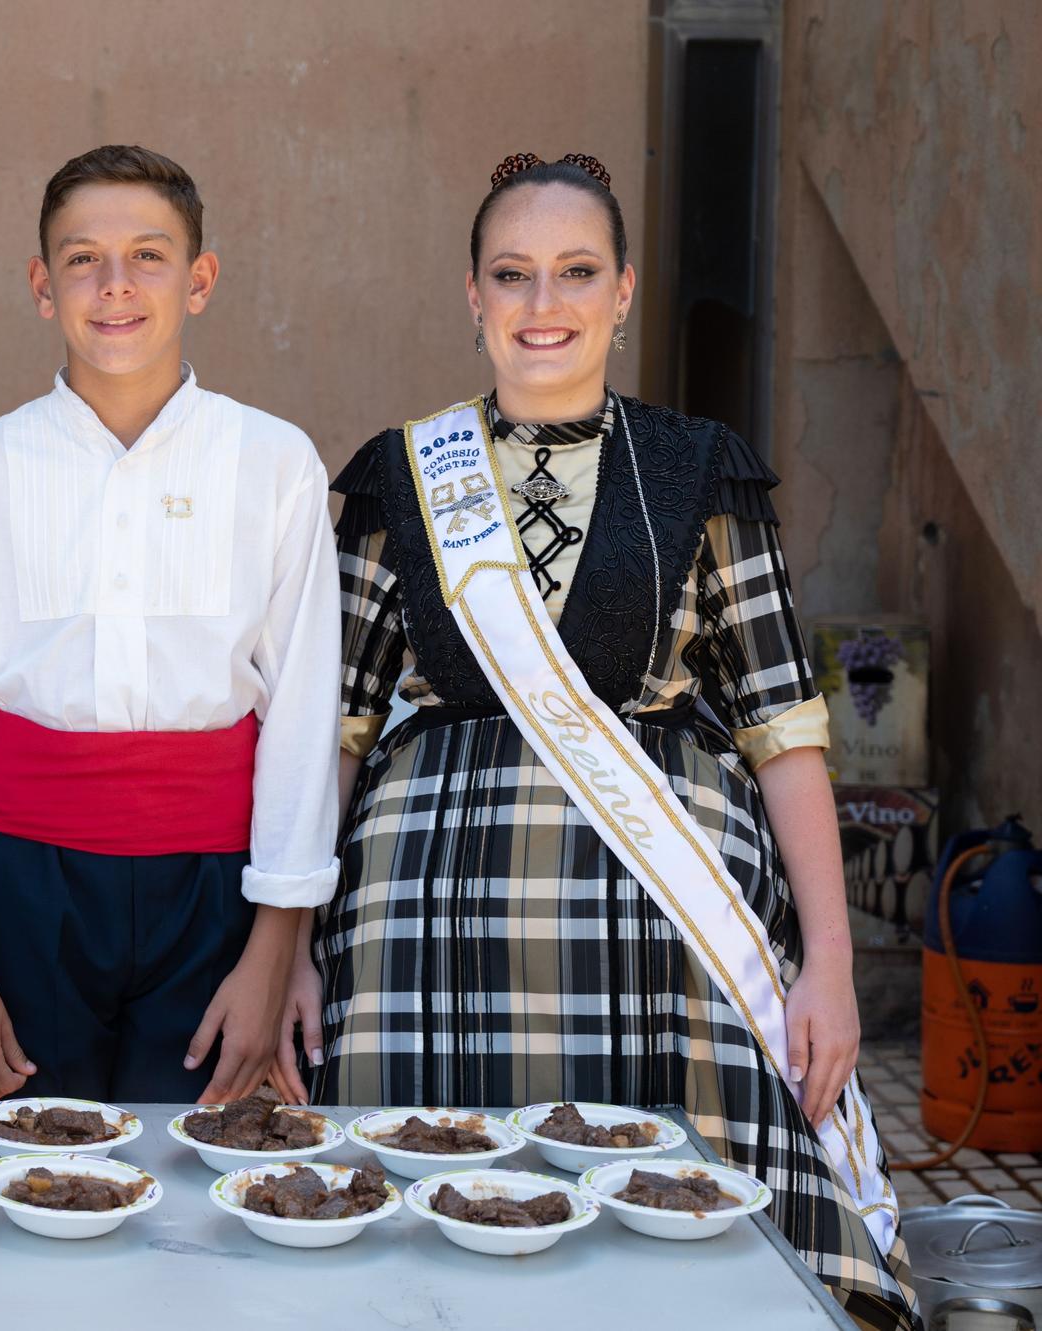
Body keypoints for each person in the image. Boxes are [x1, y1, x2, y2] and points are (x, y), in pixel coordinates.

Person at [289, 151, 912, 1329]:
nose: (543, 304)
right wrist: (291, 947)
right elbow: (335, 727)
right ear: (470, 295)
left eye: (575, 271)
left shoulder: (698, 469)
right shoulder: (396, 475)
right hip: (423, 941)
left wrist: (823, 959)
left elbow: (783, 728)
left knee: (678, 1248)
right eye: (511, 274)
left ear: (623, 288)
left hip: (663, 924)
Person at [0, 145, 340, 1106]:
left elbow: (303, 718)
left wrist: (274, 947)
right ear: (42, 286)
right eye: (83, 259)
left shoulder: (274, 463)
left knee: (197, 1174)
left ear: (201, 279)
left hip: (215, 888)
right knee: (30, 1171)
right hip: (22, 888)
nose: (115, 285)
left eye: (149, 255)